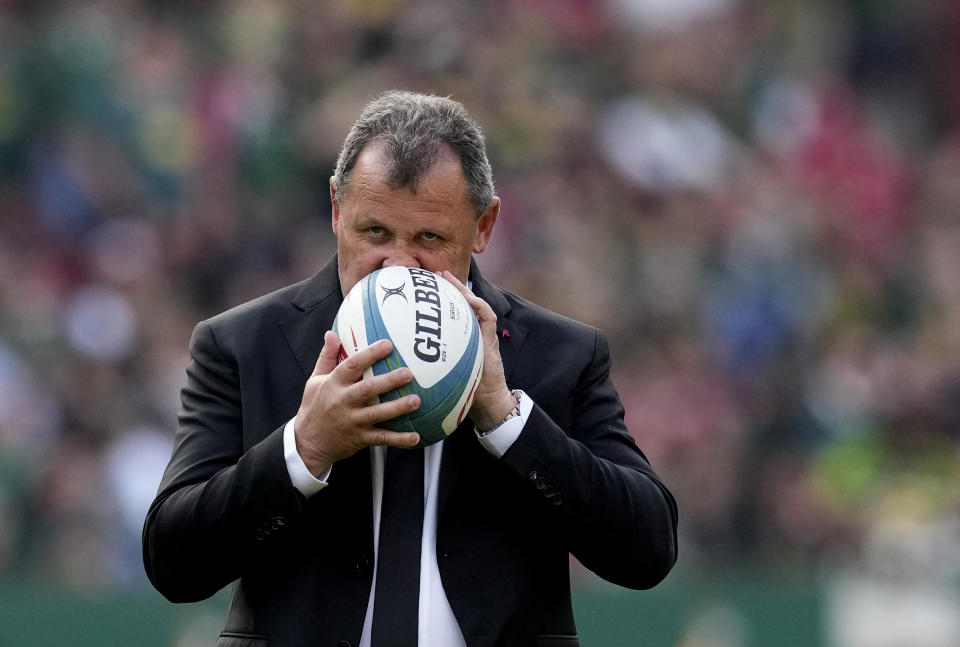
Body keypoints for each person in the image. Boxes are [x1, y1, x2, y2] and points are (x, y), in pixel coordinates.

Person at [143, 90, 678, 647]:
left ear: (485, 226)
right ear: (335, 209)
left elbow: (648, 552)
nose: (398, 262)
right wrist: (304, 450)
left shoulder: (559, 354)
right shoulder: (242, 345)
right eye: (374, 232)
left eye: (429, 239)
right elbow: (173, 562)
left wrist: (510, 421)